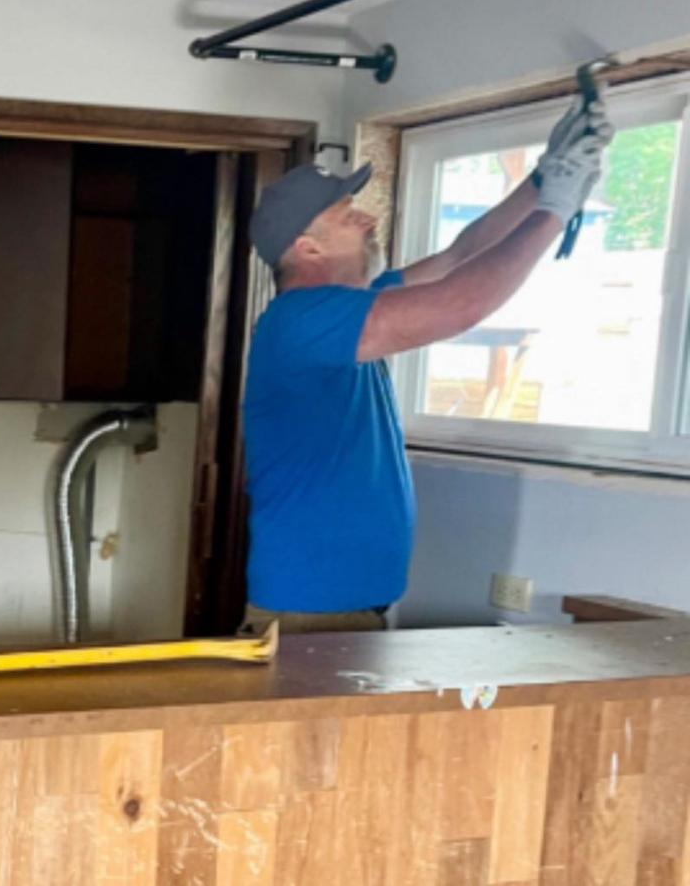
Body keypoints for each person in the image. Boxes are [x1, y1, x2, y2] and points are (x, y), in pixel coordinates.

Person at [240, 97, 614, 635]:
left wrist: (543, 178)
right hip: (311, 612)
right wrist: (555, 208)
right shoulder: (301, 321)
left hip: (339, 605)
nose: (368, 219)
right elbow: (462, 304)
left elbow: (459, 258)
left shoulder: (346, 308)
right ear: (308, 249)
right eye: (348, 216)